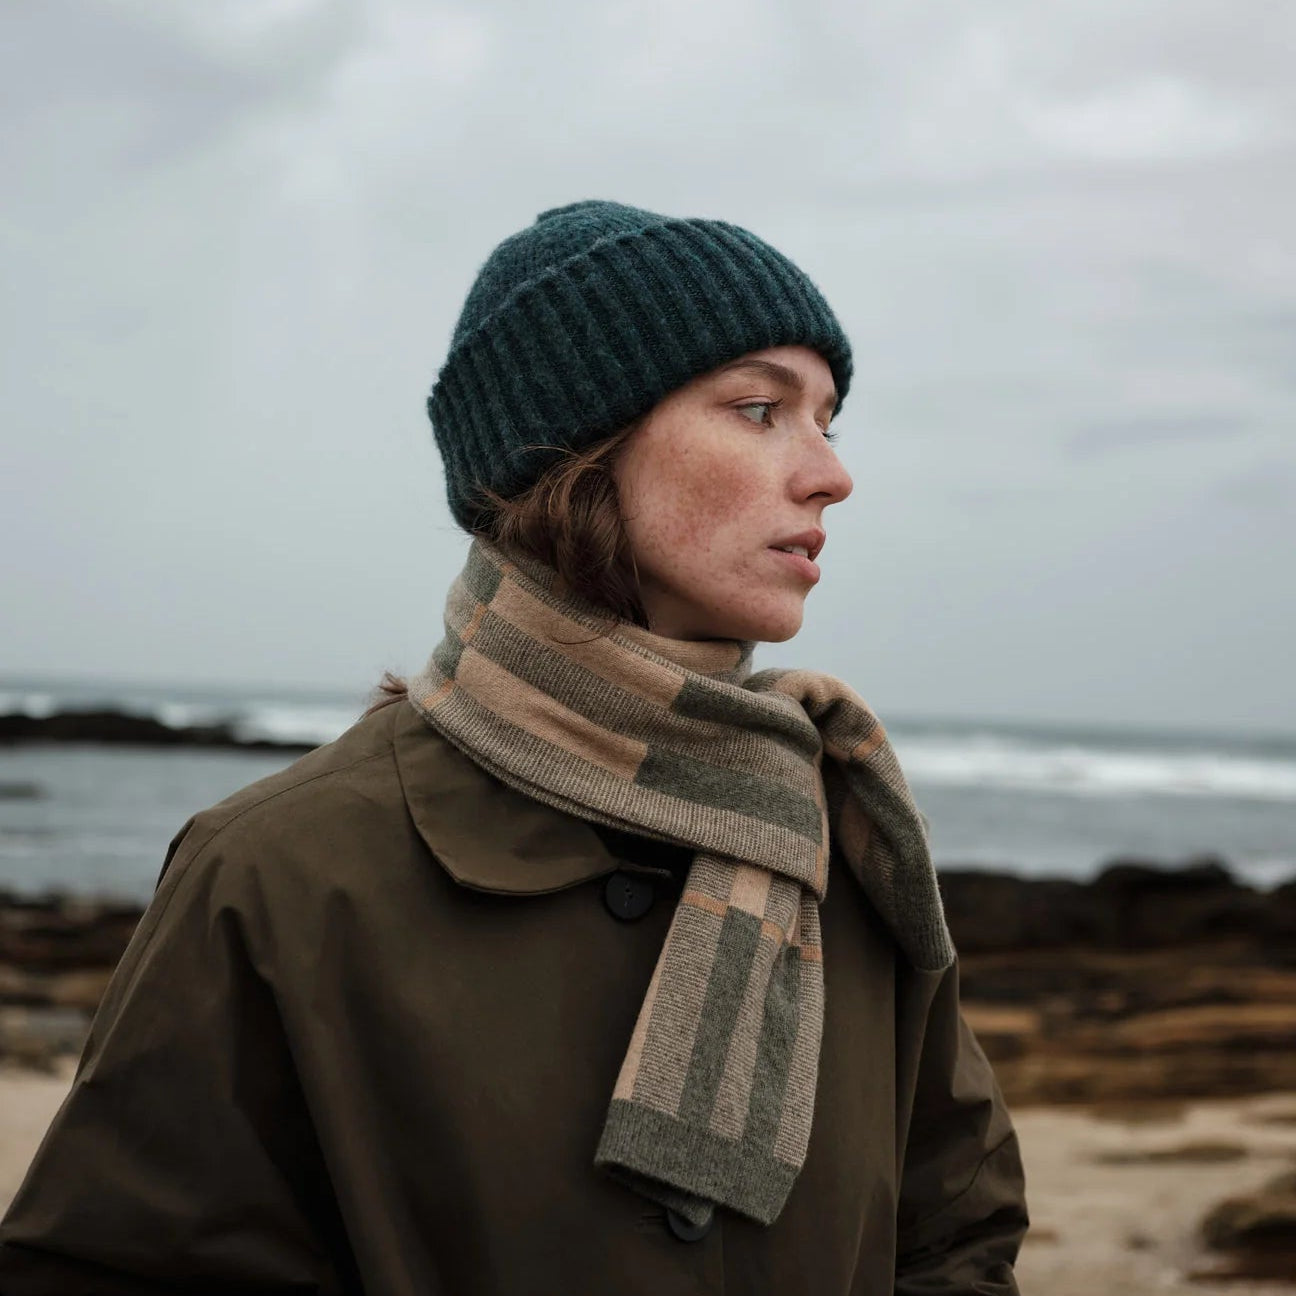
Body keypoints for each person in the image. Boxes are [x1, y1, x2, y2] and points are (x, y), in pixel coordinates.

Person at [0, 199, 1028, 1294]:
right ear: (577, 444)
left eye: (829, 420)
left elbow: (956, 1234)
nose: (830, 474)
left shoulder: (842, 834)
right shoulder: (280, 871)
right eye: (761, 409)